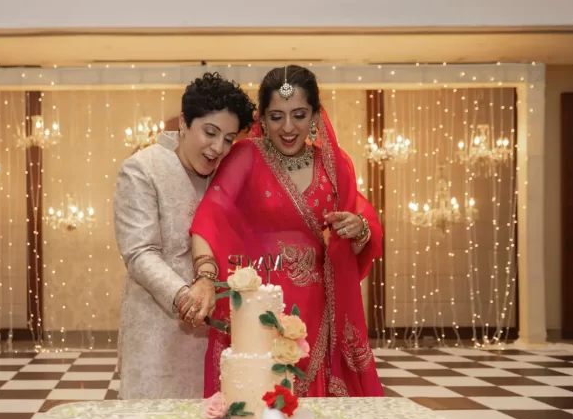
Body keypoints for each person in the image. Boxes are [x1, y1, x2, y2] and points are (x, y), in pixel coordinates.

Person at [184, 65, 384, 398]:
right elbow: (209, 216)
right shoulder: (246, 156)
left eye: (299, 115)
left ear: (316, 115)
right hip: (259, 310)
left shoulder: (334, 165)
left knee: (312, 416)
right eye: (276, 116)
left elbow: (363, 217)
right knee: (258, 402)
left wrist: (359, 228)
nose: (288, 128)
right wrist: (205, 275)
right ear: (262, 118)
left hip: (318, 312)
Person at [114, 72, 256, 399]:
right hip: (157, 331)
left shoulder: (227, 173)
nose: (218, 147)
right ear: (184, 121)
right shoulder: (142, 168)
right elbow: (139, 253)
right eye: (210, 132)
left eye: (229, 138)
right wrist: (185, 297)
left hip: (217, 336)